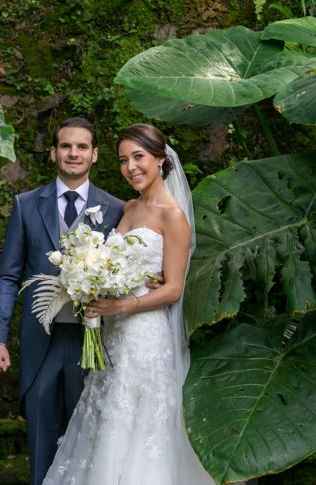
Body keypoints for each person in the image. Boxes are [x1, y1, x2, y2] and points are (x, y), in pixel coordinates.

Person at [42, 123, 215, 485]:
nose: (131, 167)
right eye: (123, 160)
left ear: (161, 160)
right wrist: (91, 283)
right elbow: (118, 266)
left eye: (139, 157)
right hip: (114, 335)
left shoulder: (173, 217)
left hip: (144, 337)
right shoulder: (131, 207)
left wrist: (119, 307)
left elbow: (173, 290)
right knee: (106, 415)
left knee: (137, 421)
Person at [0, 116, 125, 485]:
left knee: (92, 443)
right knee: (42, 443)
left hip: (93, 344)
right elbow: (8, 277)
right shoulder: (26, 205)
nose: (73, 153)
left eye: (82, 147)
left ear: (94, 155)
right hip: (41, 342)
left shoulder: (117, 209)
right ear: (53, 153)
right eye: (66, 146)